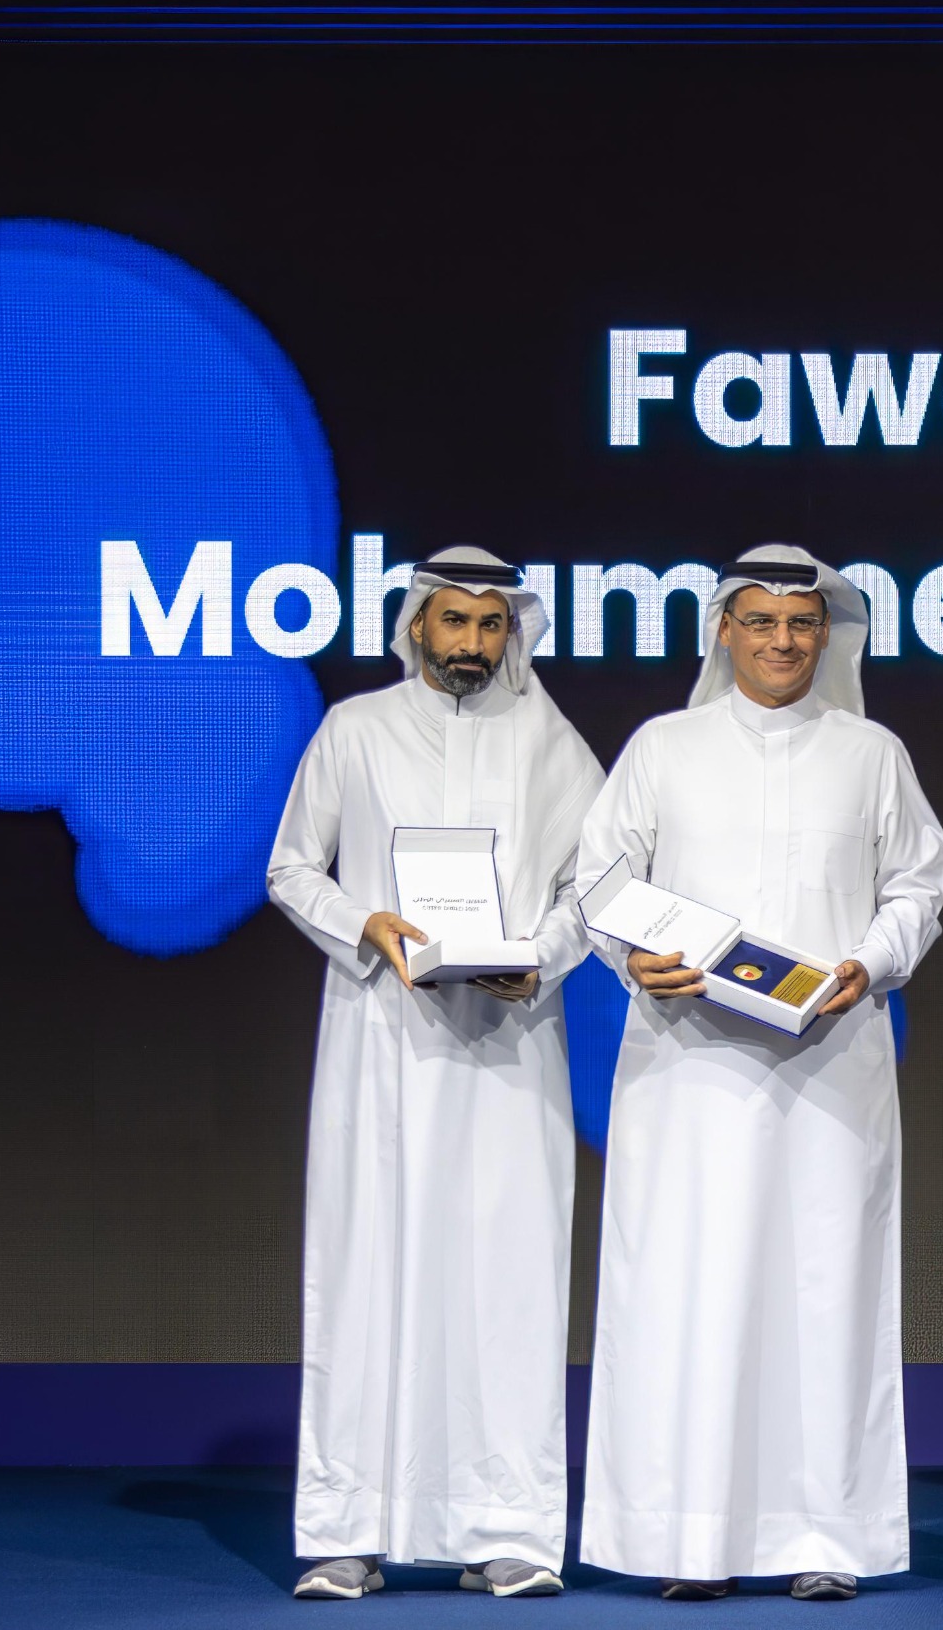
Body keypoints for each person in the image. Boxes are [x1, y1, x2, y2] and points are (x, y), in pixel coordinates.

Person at [564, 546, 943, 1603]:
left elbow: (918, 887)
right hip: (687, 1070)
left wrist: (868, 962)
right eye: (763, 620)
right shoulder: (664, 746)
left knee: (826, 1291)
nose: (784, 640)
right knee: (687, 1290)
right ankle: (687, 1540)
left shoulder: (872, 752)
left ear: (828, 634)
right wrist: (630, 955)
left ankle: (825, 1536)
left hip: (831, 1065)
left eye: (802, 622)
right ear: (725, 630)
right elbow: (599, 880)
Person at [266, 548, 606, 1601]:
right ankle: (348, 1528)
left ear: (514, 632)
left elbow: (599, 884)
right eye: (453, 620)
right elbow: (291, 867)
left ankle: (506, 1529)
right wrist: (362, 921)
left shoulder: (550, 741)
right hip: (382, 1039)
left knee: (508, 1277)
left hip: (509, 1047)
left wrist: (540, 956)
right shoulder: (355, 729)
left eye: (491, 624)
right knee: (365, 1266)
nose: (471, 642)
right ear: (418, 623)